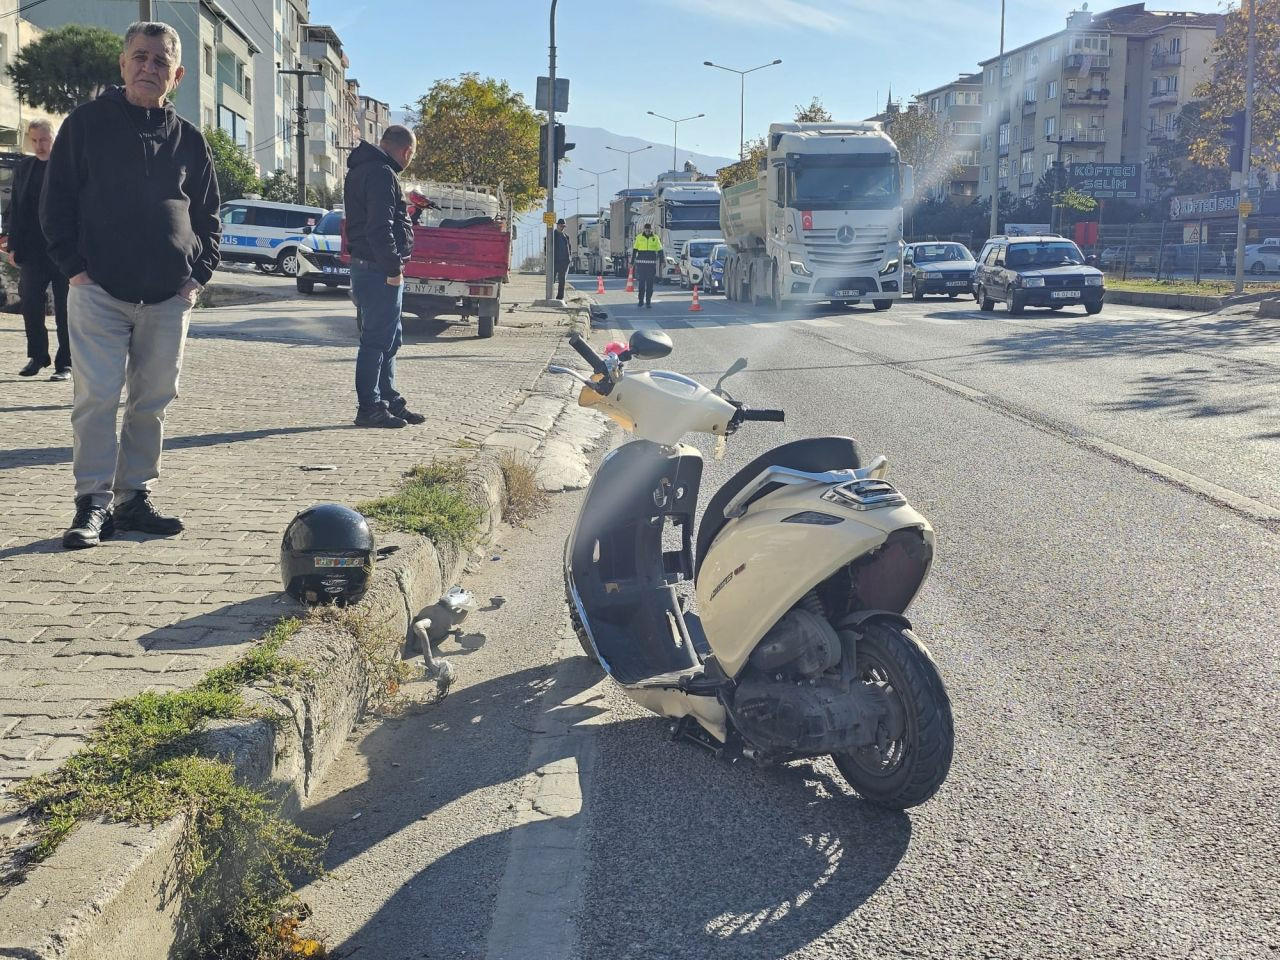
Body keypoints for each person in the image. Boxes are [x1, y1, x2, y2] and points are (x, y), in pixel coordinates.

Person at [41, 21, 221, 550]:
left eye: (160, 61)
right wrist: (76, 269)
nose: (149, 67)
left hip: (169, 297)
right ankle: (93, 504)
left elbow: (209, 215)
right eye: (140, 57)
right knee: (96, 397)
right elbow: (56, 205)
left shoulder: (190, 138)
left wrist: (197, 277)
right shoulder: (86, 124)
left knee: (153, 400)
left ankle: (133, 498)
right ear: (122, 65)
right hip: (98, 291)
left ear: (178, 75)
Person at [344, 125, 425, 429]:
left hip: (370, 266)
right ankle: (370, 407)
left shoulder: (363, 170)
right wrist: (393, 269)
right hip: (379, 271)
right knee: (377, 341)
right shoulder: (381, 173)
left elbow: (380, 219)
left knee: (390, 340)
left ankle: (389, 401)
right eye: (411, 154)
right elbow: (378, 227)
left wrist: (408, 218)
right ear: (406, 151)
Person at [9, 118, 70, 381]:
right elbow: (16, 208)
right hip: (33, 250)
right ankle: (38, 356)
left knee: (67, 309)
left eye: (43, 139)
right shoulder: (24, 168)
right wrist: (12, 245)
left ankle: (66, 363)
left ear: (54, 138)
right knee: (30, 304)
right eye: (34, 140)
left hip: (64, 250)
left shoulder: (68, 167)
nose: (39, 145)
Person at [632, 223, 663, 308]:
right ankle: (641, 300)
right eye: (646, 230)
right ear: (644, 229)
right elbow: (635, 250)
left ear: (651, 230)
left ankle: (648, 301)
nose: (647, 231)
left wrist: (662, 262)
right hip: (641, 264)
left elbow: (660, 250)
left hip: (651, 265)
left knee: (650, 284)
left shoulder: (655, 238)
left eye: (649, 230)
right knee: (641, 283)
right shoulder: (639, 237)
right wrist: (632, 262)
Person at [553, 218, 571, 300]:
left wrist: (569, 258)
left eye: (563, 226)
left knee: (562, 281)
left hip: (564, 261)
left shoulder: (566, 236)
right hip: (554, 261)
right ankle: (550, 295)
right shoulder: (552, 235)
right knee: (551, 279)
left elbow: (569, 247)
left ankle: (560, 297)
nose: (562, 227)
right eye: (561, 226)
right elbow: (547, 247)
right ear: (557, 225)